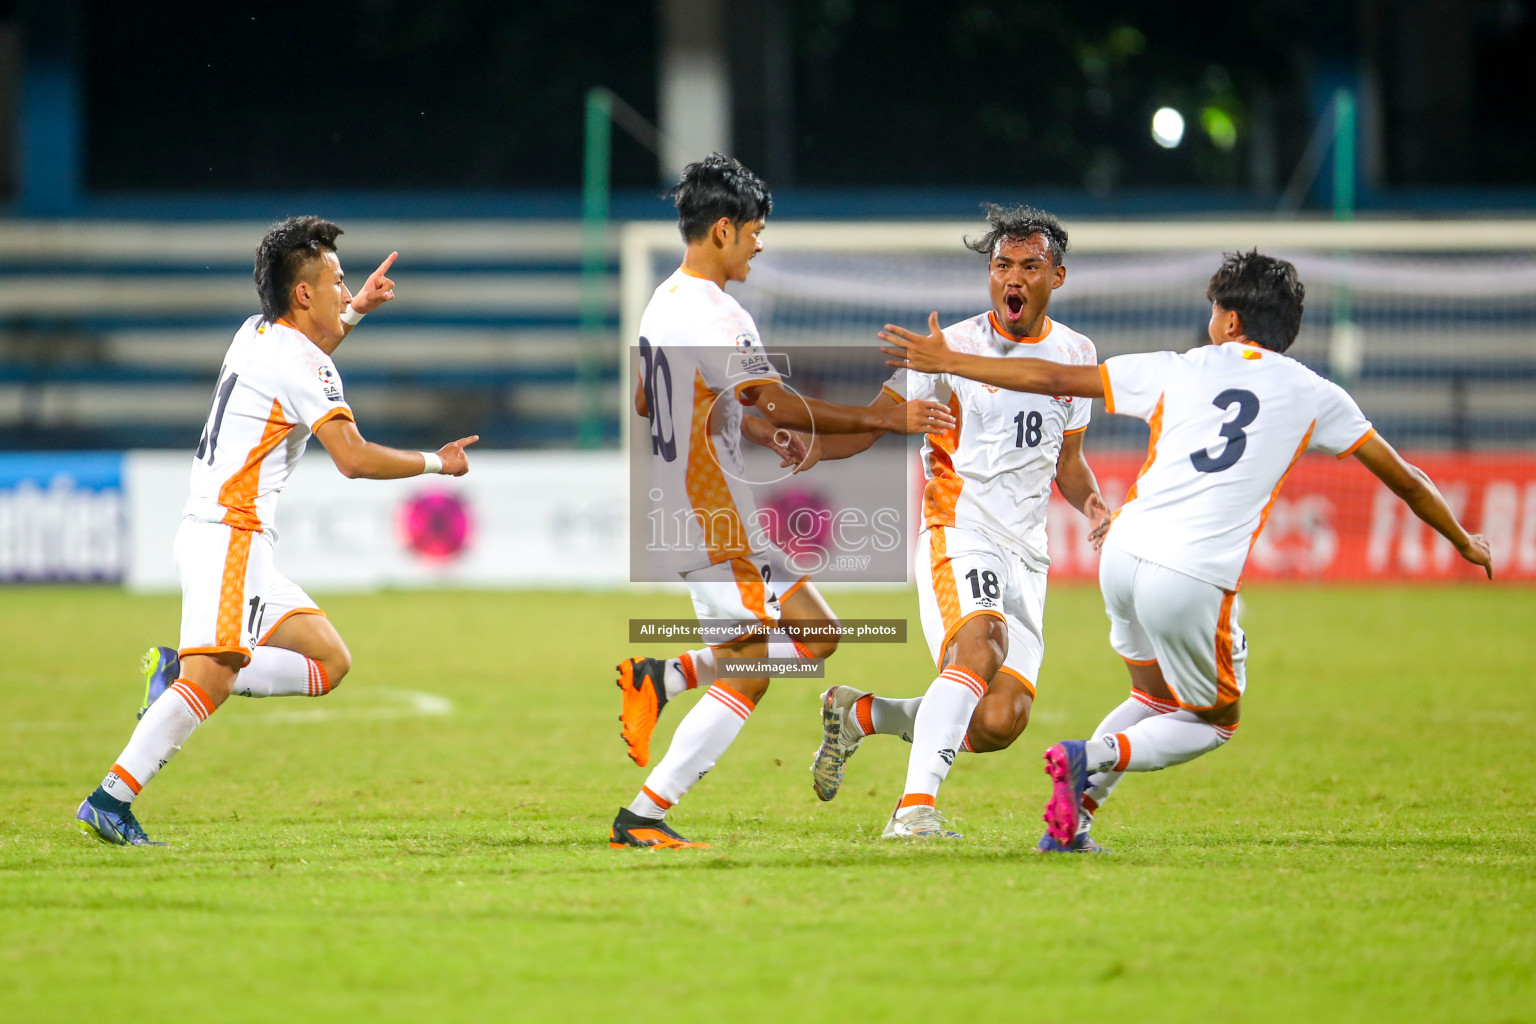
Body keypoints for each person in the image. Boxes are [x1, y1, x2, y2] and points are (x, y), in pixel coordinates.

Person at [880, 249, 1494, 852]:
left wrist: (952, 361)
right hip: (1192, 575)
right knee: (1215, 720)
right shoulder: (1316, 394)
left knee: (1151, 697)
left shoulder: (1178, 367)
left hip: (1121, 556)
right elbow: (1406, 478)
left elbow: (1050, 378)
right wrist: (1463, 539)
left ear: (1229, 320)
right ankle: (1087, 758)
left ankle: (1075, 819)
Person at [74, 216, 480, 846]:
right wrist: (438, 462)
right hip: (229, 534)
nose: (347, 291)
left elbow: (306, 363)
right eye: (339, 281)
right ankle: (111, 798)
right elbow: (353, 458)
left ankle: (179, 668)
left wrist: (359, 312)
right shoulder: (301, 362)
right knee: (213, 679)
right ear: (303, 294)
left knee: (328, 661)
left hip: (232, 536)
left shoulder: (257, 332)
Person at [611, 154, 955, 850]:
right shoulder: (716, 309)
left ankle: (655, 725)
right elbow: (770, 397)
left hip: (688, 504)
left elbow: (656, 399)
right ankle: (652, 748)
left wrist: (763, 430)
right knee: (802, 644)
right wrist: (883, 420)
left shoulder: (663, 300)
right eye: (755, 232)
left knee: (777, 651)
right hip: (713, 513)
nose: (760, 246)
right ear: (724, 230)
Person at [807, 204, 1111, 840]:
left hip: (1028, 553)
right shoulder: (949, 350)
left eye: (1030, 266)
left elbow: (1070, 460)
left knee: (1001, 718)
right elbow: (872, 424)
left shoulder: (1077, 354)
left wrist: (1093, 504)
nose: (1013, 279)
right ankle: (913, 809)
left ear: (1058, 276)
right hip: (958, 530)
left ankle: (864, 715)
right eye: (1002, 266)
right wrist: (800, 443)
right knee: (980, 648)